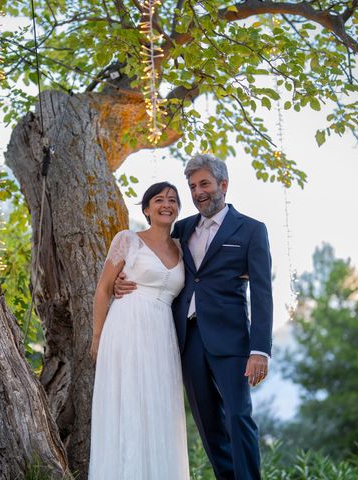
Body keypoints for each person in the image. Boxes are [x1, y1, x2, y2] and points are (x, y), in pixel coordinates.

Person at [116, 154, 273, 480]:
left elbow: (262, 293)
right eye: (192, 186)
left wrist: (260, 350)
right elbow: (153, 256)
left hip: (231, 340)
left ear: (223, 185)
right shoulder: (183, 228)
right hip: (187, 339)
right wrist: (123, 276)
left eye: (204, 184)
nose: (198, 191)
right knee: (207, 423)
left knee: (238, 416)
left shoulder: (251, 231)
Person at [88, 181, 190, 480]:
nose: (166, 204)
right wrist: (97, 337)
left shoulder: (183, 249)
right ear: (147, 209)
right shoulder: (128, 240)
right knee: (128, 403)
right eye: (159, 199)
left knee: (158, 410)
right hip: (126, 327)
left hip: (162, 334)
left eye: (172, 200)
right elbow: (104, 290)